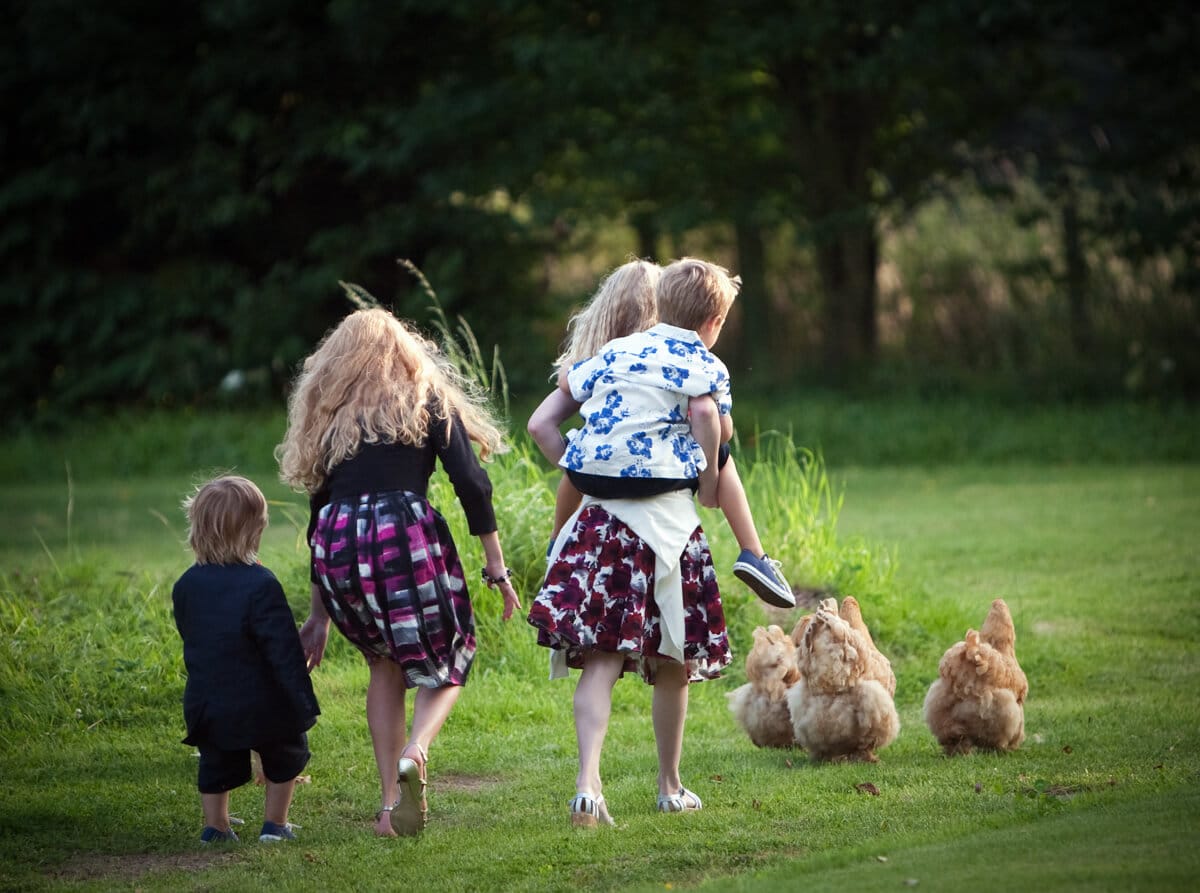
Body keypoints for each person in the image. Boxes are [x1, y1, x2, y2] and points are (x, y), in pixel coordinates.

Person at [276, 307, 521, 838]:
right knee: (453, 654)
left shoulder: (332, 414)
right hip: (400, 535)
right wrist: (496, 567)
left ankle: (391, 806)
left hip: (337, 544)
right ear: (406, 353)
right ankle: (418, 748)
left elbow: (319, 512)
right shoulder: (423, 396)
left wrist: (317, 615)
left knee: (383, 665)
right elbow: (473, 484)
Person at [525, 257, 747, 828]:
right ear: (714, 319)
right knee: (673, 663)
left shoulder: (610, 357)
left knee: (600, 660)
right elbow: (705, 419)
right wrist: (704, 477)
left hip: (601, 527)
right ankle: (670, 786)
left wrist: (580, 465)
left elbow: (539, 426)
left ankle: (587, 786)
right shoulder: (704, 365)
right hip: (669, 529)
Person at [527, 259, 793, 609]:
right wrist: (708, 471)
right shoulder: (706, 366)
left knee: (585, 445)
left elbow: (557, 396)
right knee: (718, 450)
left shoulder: (615, 352)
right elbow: (718, 425)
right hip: (656, 480)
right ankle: (754, 554)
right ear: (715, 323)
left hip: (591, 476)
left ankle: (557, 542)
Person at [172, 475, 319, 845]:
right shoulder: (262, 584)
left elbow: (191, 635)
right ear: (254, 532)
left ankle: (216, 827)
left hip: (209, 698)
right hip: (263, 701)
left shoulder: (186, 585)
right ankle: (275, 825)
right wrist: (301, 699)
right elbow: (282, 649)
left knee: (216, 761)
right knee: (284, 753)